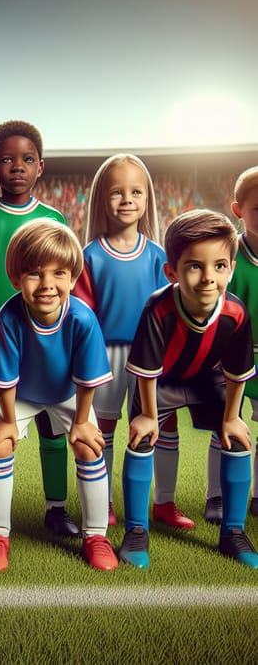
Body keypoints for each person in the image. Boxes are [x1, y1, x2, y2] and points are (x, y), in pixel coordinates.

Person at [0, 120, 79, 538]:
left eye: (27, 159)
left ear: (40, 166)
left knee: (52, 426)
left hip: (48, 343)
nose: (17, 167)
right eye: (7, 160)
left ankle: (56, 506)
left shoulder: (54, 218)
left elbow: (65, 277)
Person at [119, 209, 257, 569]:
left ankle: (233, 531)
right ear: (172, 271)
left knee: (239, 439)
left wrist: (231, 418)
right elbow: (146, 372)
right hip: (160, 382)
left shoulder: (236, 313)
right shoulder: (158, 308)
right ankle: (136, 531)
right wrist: (148, 416)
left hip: (205, 380)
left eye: (220, 266)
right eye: (195, 266)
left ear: (231, 267)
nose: (208, 278)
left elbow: (237, 372)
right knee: (140, 437)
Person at [0, 218, 117, 572]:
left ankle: (96, 536)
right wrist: (8, 421)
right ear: (16, 279)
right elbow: (4, 379)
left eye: (59, 274)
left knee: (89, 445)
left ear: (73, 278)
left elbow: (87, 379)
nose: (47, 284)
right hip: (20, 395)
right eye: (35, 273)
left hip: (67, 393)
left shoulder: (82, 319)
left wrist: (83, 421)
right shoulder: (9, 316)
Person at [72, 155, 187, 529]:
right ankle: (102, 501)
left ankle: (164, 502)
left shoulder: (158, 256)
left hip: (150, 357)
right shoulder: (90, 255)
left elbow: (170, 310)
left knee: (162, 425)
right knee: (102, 430)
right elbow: (83, 315)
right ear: (101, 200)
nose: (127, 200)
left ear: (148, 198)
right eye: (117, 192)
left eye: (135, 191)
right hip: (104, 354)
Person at [209, 167, 258, 520]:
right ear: (238, 210)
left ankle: (256, 497)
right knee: (224, 427)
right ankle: (216, 497)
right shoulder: (229, 258)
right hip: (232, 361)